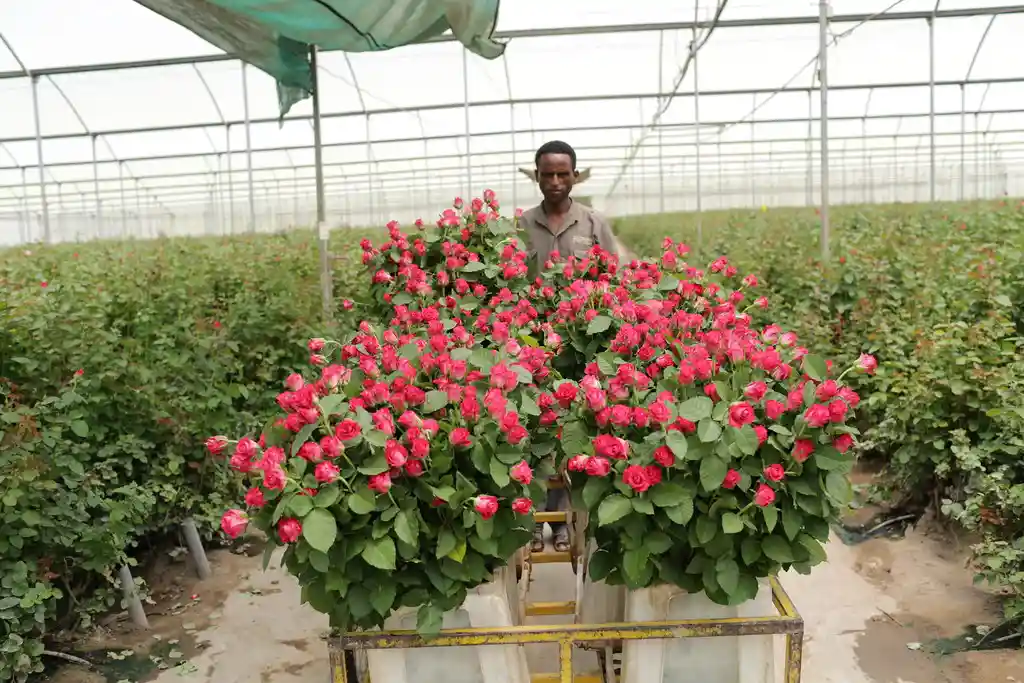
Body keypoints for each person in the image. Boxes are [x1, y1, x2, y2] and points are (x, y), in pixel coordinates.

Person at [518, 140, 623, 553]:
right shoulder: (522, 226)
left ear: (575, 176)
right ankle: (533, 519)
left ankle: (562, 521)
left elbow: (614, 283)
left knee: (572, 431)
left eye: (564, 173)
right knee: (532, 428)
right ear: (537, 176)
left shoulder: (594, 225)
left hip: (582, 347)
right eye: (548, 174)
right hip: (532, 346)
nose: (556, 181)